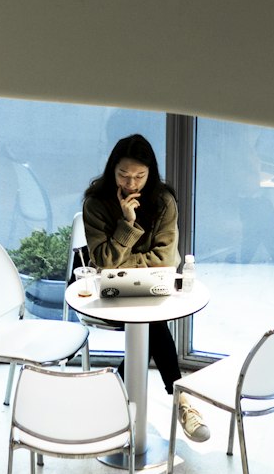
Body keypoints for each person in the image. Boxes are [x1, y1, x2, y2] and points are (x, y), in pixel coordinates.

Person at [74, 134, 209, 442]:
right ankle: (182, 400)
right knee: (154, 324)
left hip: (153, 289)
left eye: (139, 176)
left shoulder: (163, 201)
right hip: (104, 294)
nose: (132, 183)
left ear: (151, 174)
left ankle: (109, 404)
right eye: (124, 175)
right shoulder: (96, 203)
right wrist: (128, 222)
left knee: (151, 322)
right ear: (112, 171)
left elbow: (165, 260)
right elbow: (105, 264)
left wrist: (123, 260)